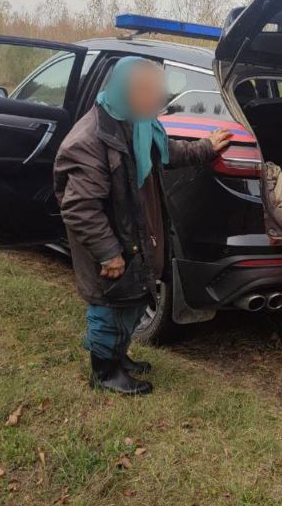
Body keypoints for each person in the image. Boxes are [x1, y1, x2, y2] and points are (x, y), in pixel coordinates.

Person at [54, 58, 232, 396]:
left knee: (133, 301)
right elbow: (79, 208)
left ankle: (120, 357)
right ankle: (104, 372)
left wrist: (207, 148)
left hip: (134, 235)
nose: (159, 99)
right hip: (108, 244)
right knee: (109, 307)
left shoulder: (139, 124)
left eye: (159, 92)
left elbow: (168, 152)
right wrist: (108, 254)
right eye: (149, 92)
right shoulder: (90, 138)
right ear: (125, 91)